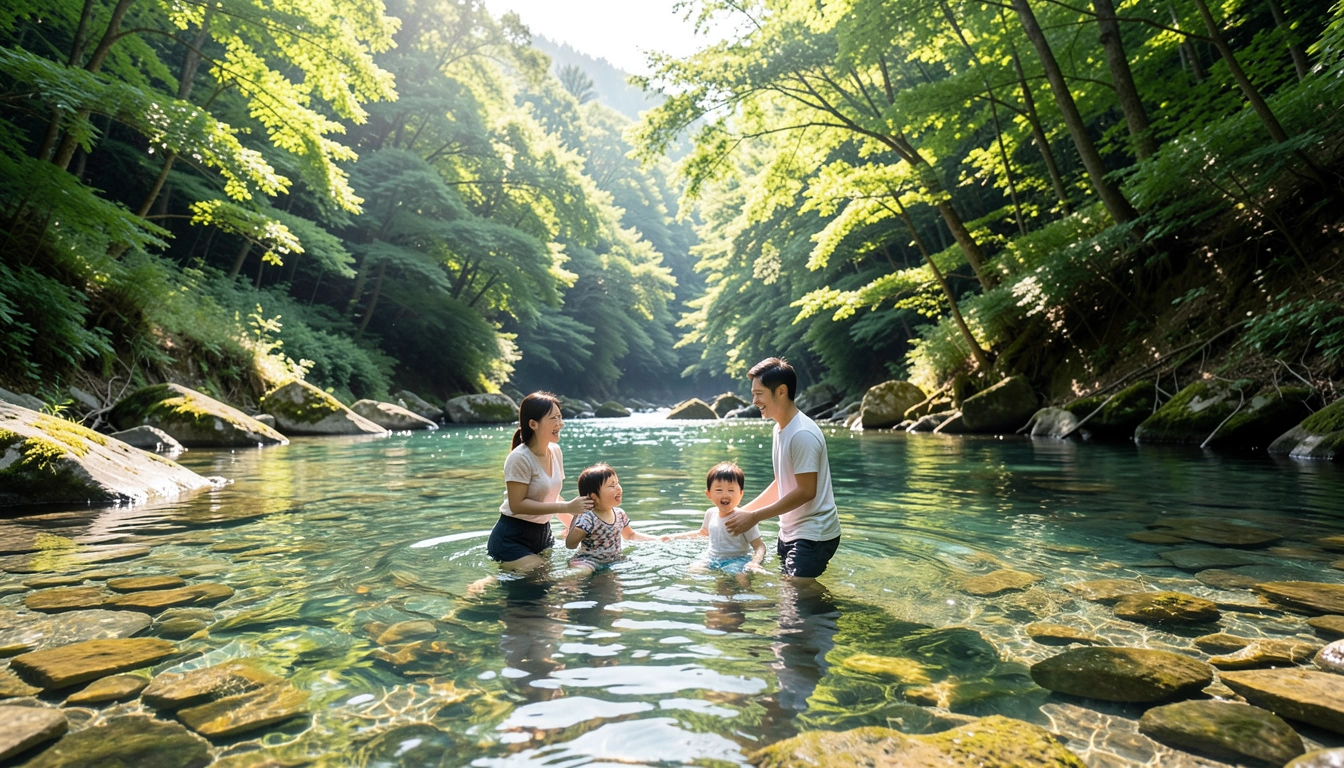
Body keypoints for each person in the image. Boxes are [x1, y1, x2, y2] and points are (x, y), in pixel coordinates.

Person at [724, 357, 841, 582]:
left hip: (813, 534)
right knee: (790, 597)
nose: (754, 400)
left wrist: (754, 517)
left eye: (759, 393)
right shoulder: (780, 429)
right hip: (790, 531)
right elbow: (782, 483)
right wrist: (741, 513)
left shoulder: (802, 434)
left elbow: (807, 491)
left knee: (798, 595)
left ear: (781, 391)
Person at [486, 392, 592, 572]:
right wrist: (567, 507)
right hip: (511, 537)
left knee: (554, 581)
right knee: (541, 578)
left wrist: (576, 528)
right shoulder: (519, 458)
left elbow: (552, 497)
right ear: (533, 424)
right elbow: (517, 505)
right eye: (553, 418)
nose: (560, 423)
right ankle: (484, 585)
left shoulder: (555, 451)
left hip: (543, 535)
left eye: (560, 417)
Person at [665, 462, 768, 579]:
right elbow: (703, 533)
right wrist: (673, 537)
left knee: (739, 577)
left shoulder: (744, 519)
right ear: (709, 494)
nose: (725, 495)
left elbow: (760, 546)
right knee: (691, 572)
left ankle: (750, 595)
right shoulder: (710, 513)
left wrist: (755, 562)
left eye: (731, 490)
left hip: (737, 560)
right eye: (719, 490)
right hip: (712, 558)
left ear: (740, 494)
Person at [564, 463, 659, 573]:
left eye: (617, 483)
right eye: (612, 486)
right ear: (594, 497)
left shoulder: (620, 514)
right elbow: (570, 545)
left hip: (614, 561)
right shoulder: (588, 518)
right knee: (580, 572)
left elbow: (630, 535)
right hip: (589, 561)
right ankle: (563, 584)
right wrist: (577, 516)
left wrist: (658, 540)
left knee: (616, 587)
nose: (618, 488)